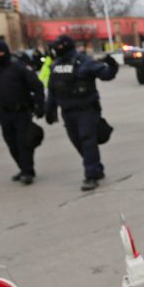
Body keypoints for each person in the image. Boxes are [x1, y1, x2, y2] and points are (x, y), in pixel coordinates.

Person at [44, 34, 118, 191]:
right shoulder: (56, 65)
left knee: (87, 140)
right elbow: (53, 89)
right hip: (67, 111)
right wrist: (50, 110)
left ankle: (91, 176)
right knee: (77, 141)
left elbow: (106, 75)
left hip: (86, 110)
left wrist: (112, 65)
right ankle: (96, 168)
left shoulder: (83, 62)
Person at [0, 40, 45, 184]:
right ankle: (22, 168)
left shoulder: (18, 68)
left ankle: (28, 171)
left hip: (21, 112)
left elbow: (37, 86)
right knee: (12, 144)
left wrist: (40, 105)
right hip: (2, 115)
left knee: (24, 143)